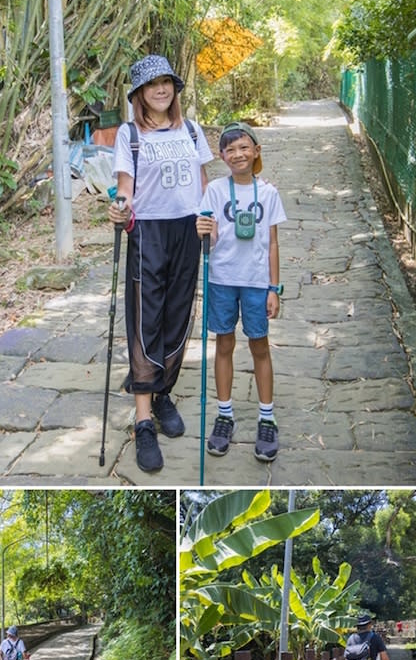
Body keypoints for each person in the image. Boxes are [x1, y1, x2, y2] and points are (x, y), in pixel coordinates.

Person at [109, 54, 213, 473]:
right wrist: (119, 209)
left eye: (167, 82)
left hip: (188, 229)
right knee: (144, 318)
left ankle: (163, 390)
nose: (161, 89)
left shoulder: (191, 129)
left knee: (177, 314)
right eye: (152, 85)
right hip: (148, 232)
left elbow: (203, 183)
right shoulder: (129, 133)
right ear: (139, 94)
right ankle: (142, 417)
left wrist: (211, 218)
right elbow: (124, 189)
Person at [196, 122, 287, 461]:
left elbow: (274, 243)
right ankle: (224, 414)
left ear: (256, 150)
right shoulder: (216, 192)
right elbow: (211, 238)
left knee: (259, 345)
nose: (238, 154)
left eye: (244, 147)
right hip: (221, 278)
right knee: (224, 343)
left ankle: (267, 417)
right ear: (222, 156)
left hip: (255, 281)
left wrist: (273, 288)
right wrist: (203, 230)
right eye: (230, 149)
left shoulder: (269, 193)